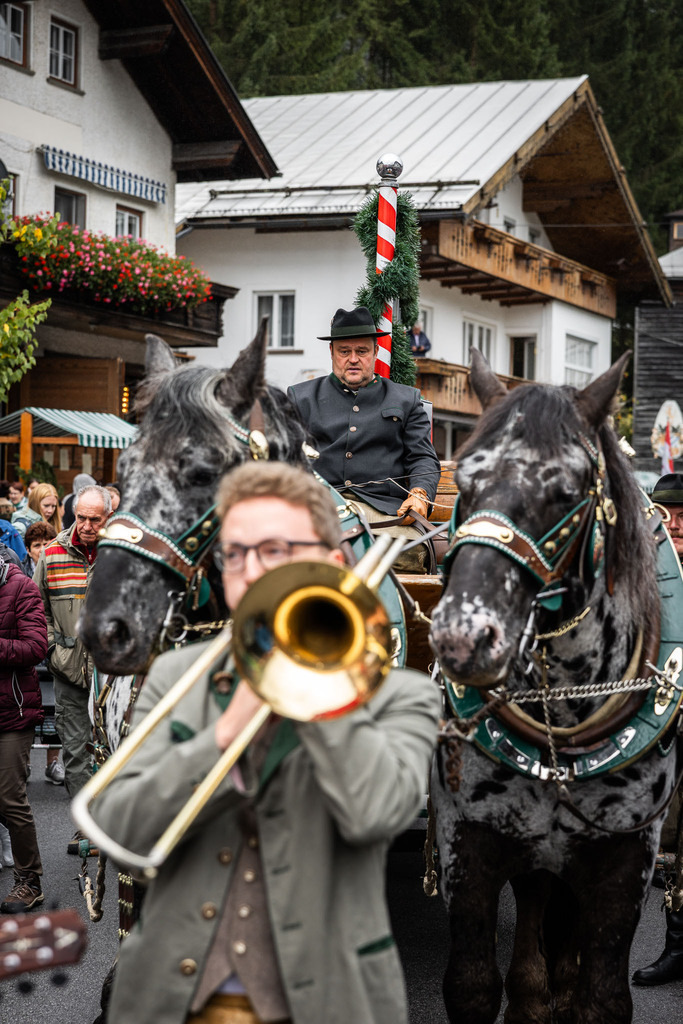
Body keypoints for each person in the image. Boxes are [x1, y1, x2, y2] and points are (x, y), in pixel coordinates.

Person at [90, 461, 441, 1024]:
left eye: (275, 550)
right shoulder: (174, 676)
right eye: (234, 554)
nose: (250, 571)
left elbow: (374, 813)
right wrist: (228, 731)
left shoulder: (402, 694)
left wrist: (320, 684)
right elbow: (121, 827)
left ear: (330, 563)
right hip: (169, 998)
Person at [287, 307, 441, 569]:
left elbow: (423, 457)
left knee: (411, 554)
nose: (353, 359)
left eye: (362, 351)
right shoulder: (300, 397)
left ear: (375, 353)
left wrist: (419, 494)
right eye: (344, 351)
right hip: (319, 509)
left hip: (385, 513)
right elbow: (285, 459)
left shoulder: (406, 399)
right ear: (332, 353)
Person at [34, 485, 111, 850]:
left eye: (95, 519)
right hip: (69, 672)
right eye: (81, 517)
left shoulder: (120, 555)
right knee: (76, 750)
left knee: (115, 748)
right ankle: (87, 827)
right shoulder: (51, 554)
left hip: (115, 675)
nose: (87, 525)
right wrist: (53, 648)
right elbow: (37, 610)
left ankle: (114, 821)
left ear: (108, 517)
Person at [631, 471, 683, 987]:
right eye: (672, 518)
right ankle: (678, 947)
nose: (680, 528)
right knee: (668, 842)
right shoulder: (648, 575)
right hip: (658, 722)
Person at [0, 553, 48, 913]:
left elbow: (36, 647)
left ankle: (29, 881)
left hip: (12, 714)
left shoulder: (22, 588)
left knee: (9, 798)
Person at [23, 521, 63, 786]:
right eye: (37, 545)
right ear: (28, 550)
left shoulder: (58, 570)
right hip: (28, 651)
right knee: (26, 708)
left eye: (47, 544)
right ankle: (22, 763)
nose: (42, 549)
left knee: (54, 711)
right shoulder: (20, 574)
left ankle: (52, 762)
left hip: (53, 646)